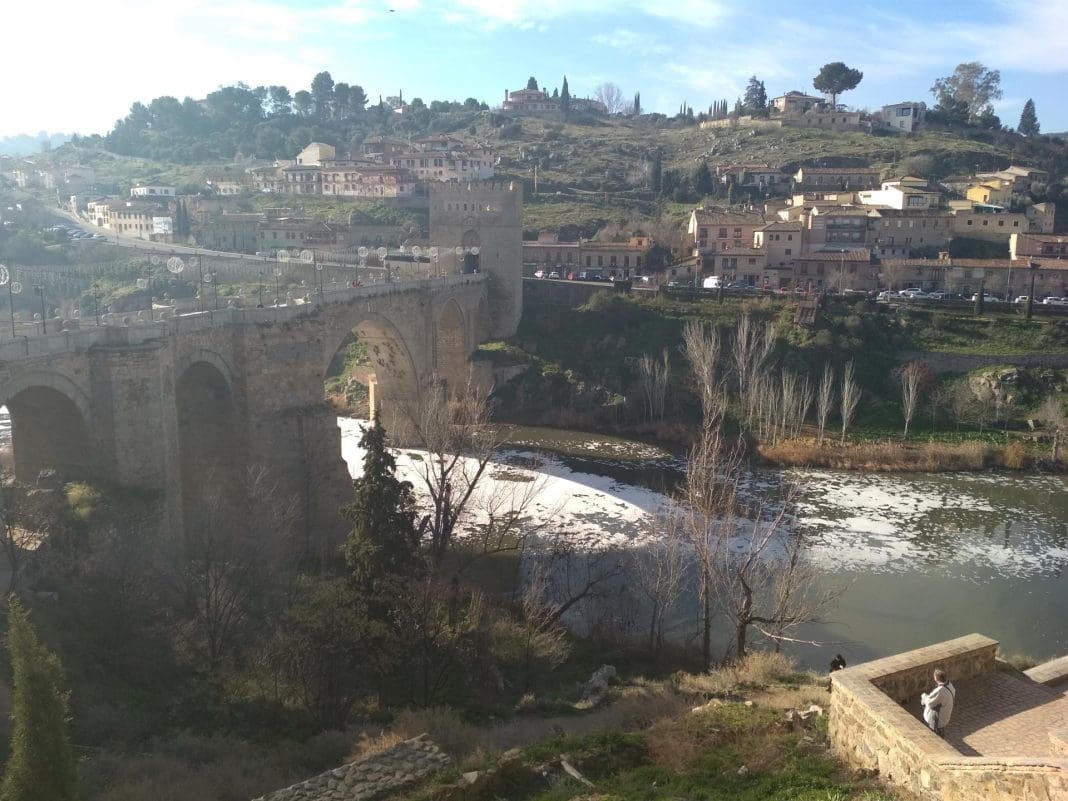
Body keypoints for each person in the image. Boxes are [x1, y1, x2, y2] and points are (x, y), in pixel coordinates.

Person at [920, 668, 955, 737]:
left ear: (936, 678)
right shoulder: (950, 686)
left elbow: (929, 703)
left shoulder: (940, 690)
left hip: (937, 721)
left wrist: (924, 696)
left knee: (936, 736)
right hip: (945, 717)